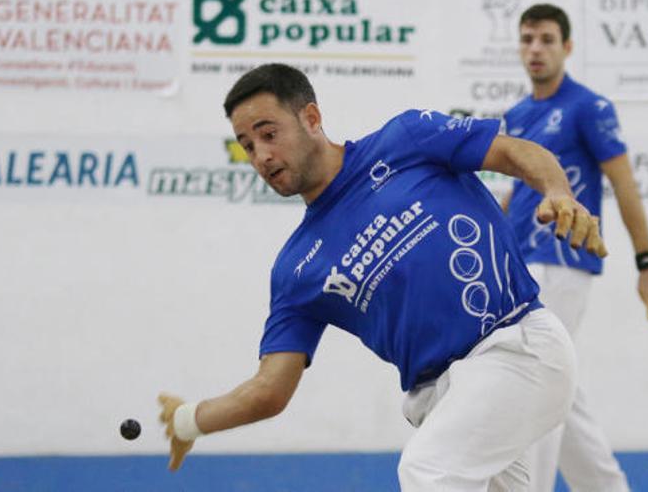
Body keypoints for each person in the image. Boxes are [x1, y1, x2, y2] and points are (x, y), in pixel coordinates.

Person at [157, 63, 608, 491]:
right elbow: (269, 390)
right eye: (247, 145)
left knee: (429, 470)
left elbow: (513, 151)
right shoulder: (296, 269)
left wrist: (557, 191)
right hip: (445, 403)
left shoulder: (405, 139)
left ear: (311, 118)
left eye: (268, 134)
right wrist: (189, 420)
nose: (261, 155)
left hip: (518, 349)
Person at [501, 4, 648, 492]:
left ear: (567, 47)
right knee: (561, 388)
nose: (535, 49)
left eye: (546, 39)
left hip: (562, 263)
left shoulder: (589, 107)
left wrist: (647, 263)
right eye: (528, 39)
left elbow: (624, 186)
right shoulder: (516, 115)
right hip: (520, 267)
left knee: (537, 380)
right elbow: (516, 196)